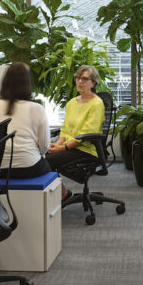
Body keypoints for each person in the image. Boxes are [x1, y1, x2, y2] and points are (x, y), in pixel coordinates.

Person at [0, 62, 51, 179]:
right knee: (50, 165)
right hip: (29, 167)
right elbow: (44, 147)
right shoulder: (36, 108)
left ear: (4, 82)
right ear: (27, 83)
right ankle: (64, 195)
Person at [46, 65, 105, 200]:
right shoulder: (72, 103)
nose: (79, 82)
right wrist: (58, 144)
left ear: (93, 82)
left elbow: (85, 134)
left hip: (86, 150)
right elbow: (65, 128)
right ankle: (60, 194)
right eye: (77, 78)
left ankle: (63, 195)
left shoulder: (97, 104)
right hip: (69, 147)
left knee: (45, 163)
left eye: (84, 79)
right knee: (44, 155)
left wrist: (63, 148)